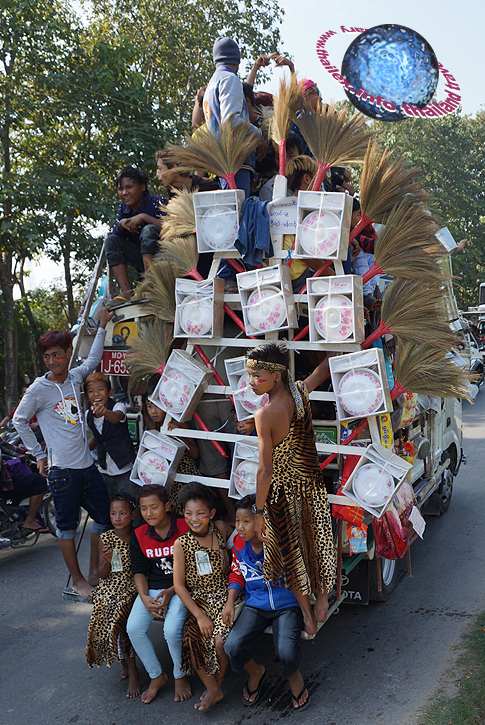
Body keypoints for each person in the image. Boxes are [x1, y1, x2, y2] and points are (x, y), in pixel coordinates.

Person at [13, 306, 114, 601]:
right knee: (67, 529)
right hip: (62, 473)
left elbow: (93, 359)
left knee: (104, 519)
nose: (52, 361)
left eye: (57, 354)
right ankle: (78, 581)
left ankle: (94, 572)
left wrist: (103, 325)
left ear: (68, 353)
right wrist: (39, 455)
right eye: (47, 356)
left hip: (87, 467)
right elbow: (19, 419)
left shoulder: (76, 377)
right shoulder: (38, 389)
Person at [246, 342, 336, 636]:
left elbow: (265, 470)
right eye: (249, 375)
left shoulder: (264, 415)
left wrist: (258, 512)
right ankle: (323, 601)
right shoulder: (299, 393)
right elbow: (322, 371)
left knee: (291, 553)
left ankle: (307, 616)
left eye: (257, 376)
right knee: (318, 543)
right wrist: (336, 343)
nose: (251, 382)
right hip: (312, 485)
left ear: (276, 376)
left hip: (282, 495)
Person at [223, 495, 310, 711]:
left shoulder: (279, 544)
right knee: (232, 647)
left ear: (260, 522)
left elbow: (298, 579)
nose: (240, 527)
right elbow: (237, 574)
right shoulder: (238, 544)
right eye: (237, 521)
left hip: (286, 605)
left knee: (286, 652)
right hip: (256, 605)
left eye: (246, 521)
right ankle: (256, 672)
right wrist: (230, 601)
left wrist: (308, 614)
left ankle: (294, 677)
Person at [127, 484, 192, 704]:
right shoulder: (139, 533)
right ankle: (157, 675)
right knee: (133, 628)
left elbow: (193, 567)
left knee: (171, 630)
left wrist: (173, 591)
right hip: (154, 589)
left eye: (154, 507)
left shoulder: (184, 526)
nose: (149, 513)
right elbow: (138, 570)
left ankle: (179, 674)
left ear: (167, 506)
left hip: (181, 586)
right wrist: (144, 597)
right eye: (144, 508)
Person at [173, 482, 234, 711]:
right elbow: (179, 586)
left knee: (220, 643)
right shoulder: (181, 544)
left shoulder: (221, 529)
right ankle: (213, 688)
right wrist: (199, 616)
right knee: (191, 642)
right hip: (198, 601)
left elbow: (240, 545)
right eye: (188, 513)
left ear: (212, 513)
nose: (194, 519)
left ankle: (216, 685)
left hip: (225, 597)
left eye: (200, 513)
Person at [86, 495, 139, 698]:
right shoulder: (106, 538)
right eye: (113, 513)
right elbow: (102, 574)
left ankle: (133, 671)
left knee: (119, 617)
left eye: (122, 513)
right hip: (110, 585)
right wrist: (106, 561)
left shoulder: (137, 536)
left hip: (130, 586)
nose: (117, 518)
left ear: (133, 515)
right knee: (104, 615)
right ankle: (124, 662)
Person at [203, 36, 260, 199]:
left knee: (230, 210)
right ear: (237, 61)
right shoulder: (229, 79)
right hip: (236, 162)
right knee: (239, 209)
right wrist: (258, 135)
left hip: (223, 163)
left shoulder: (212, 83)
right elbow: (231, 122)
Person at [104, 166, 167, 305]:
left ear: (142, 186)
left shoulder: (157, 202)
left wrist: (144, 217)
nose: (124, 193)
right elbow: (115, 240)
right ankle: (126, 291)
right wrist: (121, 225)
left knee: (148, 230)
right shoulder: (123, 209)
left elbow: (173, 228)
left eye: (129, 187)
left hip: (164, 261)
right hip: (140, 258)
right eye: (120, 189)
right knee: (110, 241)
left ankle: (150, 285)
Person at [283, 155, 336, 292]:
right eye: (320, 182)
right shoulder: (305, 213)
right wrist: (336, 276)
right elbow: (308, 257)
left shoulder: (284, 207)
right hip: (297, 280)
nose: (321, 188)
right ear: (307, 179)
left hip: (282, 275)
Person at [84, 372, 138, 500]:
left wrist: (105, 412)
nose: (96, 394)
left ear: (110, 392)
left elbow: (116, 417)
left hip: (124, 468)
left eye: (100, 389)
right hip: (104, 470)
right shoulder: (88, 415)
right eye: (91, 391)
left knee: (129, 502)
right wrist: (83, 450)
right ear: (86, 397)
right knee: (108, 504)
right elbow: (98, 437)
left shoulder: (118, 406)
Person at [0, 438, 49, 534]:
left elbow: (7, 449)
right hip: (2, 482)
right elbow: (8, 448)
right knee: (39, 482)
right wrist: (27, 453)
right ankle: (30, 521)